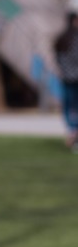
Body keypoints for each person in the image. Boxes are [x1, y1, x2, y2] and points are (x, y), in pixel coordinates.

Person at [54, 12, 78, 151]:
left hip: (66, 78)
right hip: (75, 78)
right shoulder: (74, 39)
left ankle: (72, 132)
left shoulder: (61, 39)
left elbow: (58, 60)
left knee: (69, 107)